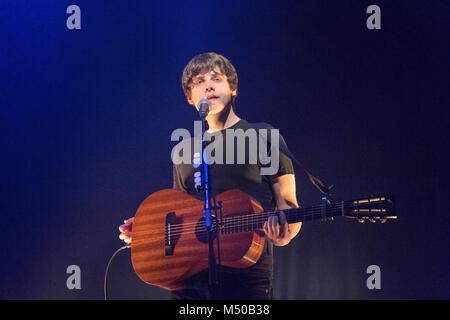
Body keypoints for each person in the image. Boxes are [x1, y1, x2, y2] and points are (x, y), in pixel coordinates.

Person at [119, 52, 302, 300]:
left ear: (233, 88)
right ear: (189, 98)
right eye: (199, 82)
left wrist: (284, 232)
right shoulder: (183, 151)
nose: (208, 86)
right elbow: (178, 213)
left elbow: (288, 205)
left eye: (216, 78)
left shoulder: (265, 137)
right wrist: (146, 229)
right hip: (189, 279)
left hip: (246, 273)